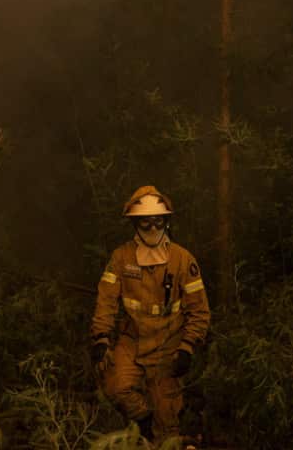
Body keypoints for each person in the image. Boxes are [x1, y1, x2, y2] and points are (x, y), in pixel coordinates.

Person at [88, 185, 211, 442]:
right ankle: (142, 421)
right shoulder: (121, 258)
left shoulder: (182, 259)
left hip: (168, 344)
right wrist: (101, 337)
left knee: (167, 422)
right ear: (135, 224)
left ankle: (159, 436)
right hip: (131, 341)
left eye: (158, 222)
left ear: (166, 221)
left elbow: (199, 310)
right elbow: (106, 299)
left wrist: (187, 347)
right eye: (146, 223)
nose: (153, 229)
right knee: (114, 386)